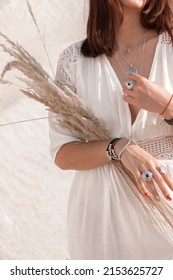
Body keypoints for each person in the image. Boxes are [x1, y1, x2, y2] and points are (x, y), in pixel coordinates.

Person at [49, 0, 173, 259]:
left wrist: (166, 105)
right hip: (100, 214)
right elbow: (62, 153)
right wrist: (118, 147)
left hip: (167, 204)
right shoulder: (73, 62)